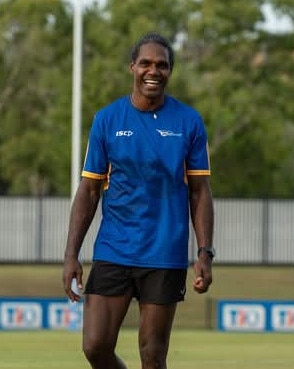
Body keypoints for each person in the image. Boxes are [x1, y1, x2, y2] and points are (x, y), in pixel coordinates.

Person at [62, 32, 215, 369]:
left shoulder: (188, 121)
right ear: (132, 67)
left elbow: (199, 191)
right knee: (95, 346)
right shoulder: (107, 119)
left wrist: (205, 252)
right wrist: (71, 254)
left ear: (170, 71)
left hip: (165, 253)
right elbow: (88, 191)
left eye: (162, 65)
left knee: (153, 355)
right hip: (114, 248)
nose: (153, 70)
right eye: (145, 63)